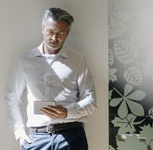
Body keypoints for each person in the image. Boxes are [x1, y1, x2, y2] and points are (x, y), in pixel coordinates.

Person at [5, 8, 97, 150]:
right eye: (50, 32)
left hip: (72, 136)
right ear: (43, 29)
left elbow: (91, 101)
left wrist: (67, 112)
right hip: (36, 139)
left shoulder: (77, 60)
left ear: (67, 33)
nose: (55, 38)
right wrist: (19, 133)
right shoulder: (24, 61)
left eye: (60, 33)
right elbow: (12, 98)